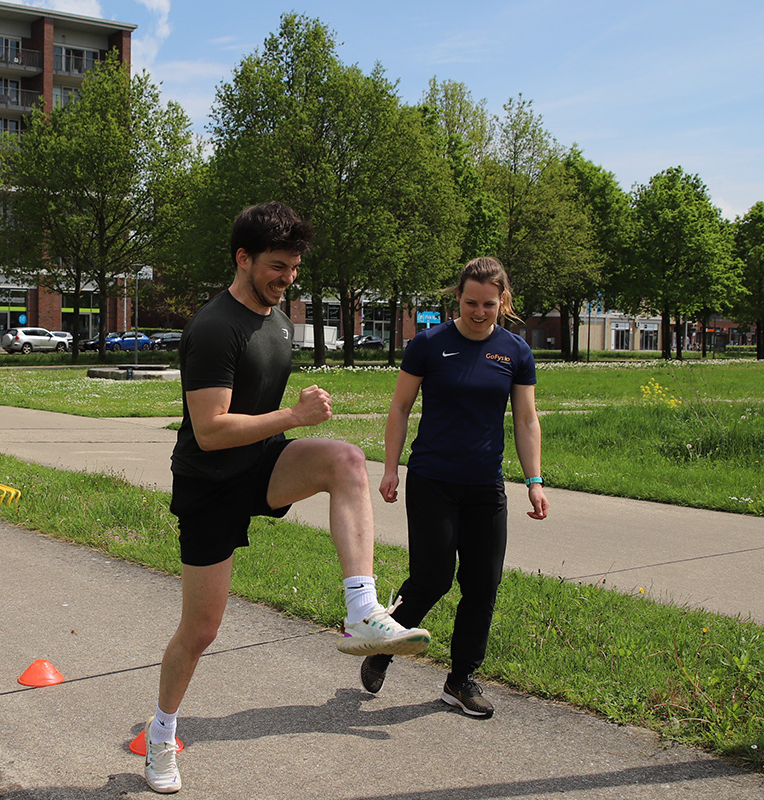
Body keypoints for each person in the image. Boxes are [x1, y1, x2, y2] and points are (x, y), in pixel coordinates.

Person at [143, 201, 430, 793]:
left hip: (259, 463)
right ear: (242, 258)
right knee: (200, 631)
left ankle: (361, 612)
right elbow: (210, 429)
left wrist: (292, 416)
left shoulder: (275, 320)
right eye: (278, 266)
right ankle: (162, 734)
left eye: (295, 267)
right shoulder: (214, 327)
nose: (288, 278)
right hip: (209, 485)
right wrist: (293, 415)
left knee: (346, 459)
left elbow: (259, 415)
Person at [362, 256, 549, 719]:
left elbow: (526, 419)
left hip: (486, 485)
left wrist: (535, 480)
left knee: (482, 584)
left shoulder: (515, 351)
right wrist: (391, 468)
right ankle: (384, 646)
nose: (479, 312)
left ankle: (460, 679)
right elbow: (400, 408)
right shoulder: (428, 344)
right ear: (458, 298)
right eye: (470, 303)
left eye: (488, 304)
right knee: (432, 578)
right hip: (433, 480)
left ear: (502, 301)